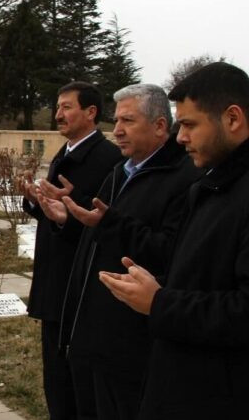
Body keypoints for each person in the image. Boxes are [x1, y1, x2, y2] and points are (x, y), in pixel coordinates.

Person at [37, 84, 200, 419]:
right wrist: (69, 220)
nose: (118, 131)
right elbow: (100, 235)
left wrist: (111, 224)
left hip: (129, 348)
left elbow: (170, 252)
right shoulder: (120, 172)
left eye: (128, 121)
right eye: (117, 120)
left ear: (159, 127)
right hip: (90, 337)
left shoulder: (184, 179)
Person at [100, 62, 249, 419]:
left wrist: (160, 302)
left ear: (232, 119)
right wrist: (155, 286)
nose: (181, 137)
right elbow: (203, 278)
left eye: (190, 125)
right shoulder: (209, 185)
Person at [22, 82, 122, 420]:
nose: (58, 114)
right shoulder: (64, 153)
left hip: (77, 288)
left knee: (75, 388)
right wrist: (37, 202)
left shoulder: (107, 159)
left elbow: (102, 224)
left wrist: (66, 213)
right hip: (54, 282)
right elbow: (57, 213)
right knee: (55, 382)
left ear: (91, 112)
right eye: (58, 107)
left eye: (66, 107)